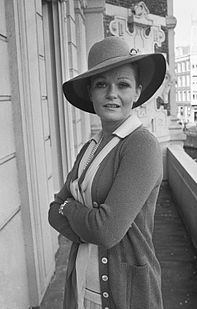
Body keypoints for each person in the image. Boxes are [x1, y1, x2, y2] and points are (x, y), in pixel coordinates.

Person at [48, 36, 166, 309]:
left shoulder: (141, 145)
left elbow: (105, 231)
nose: (111, 93)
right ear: (91, 92)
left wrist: (69, 208)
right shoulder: (91, 146)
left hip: (126, 293)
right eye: (101, 84)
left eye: (122, 84)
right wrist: (75, 213)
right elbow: (53, 211)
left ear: (137, 92)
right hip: (81, 287)